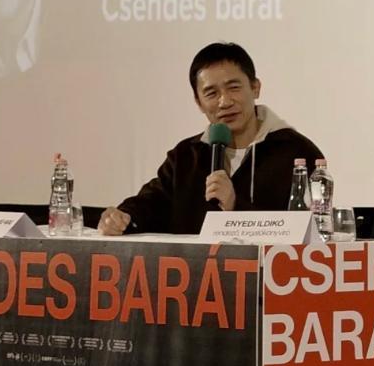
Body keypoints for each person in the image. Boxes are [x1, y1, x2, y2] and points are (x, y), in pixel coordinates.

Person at [99, 42, 323, 235]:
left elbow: (311, 231)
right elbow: (151, 204)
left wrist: (235, 206)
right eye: (211, 93)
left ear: (255, 88)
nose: (225, 102)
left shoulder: (297, 154)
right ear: (198, 102)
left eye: (233, 88)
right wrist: (122, 217)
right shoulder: (187, 155)